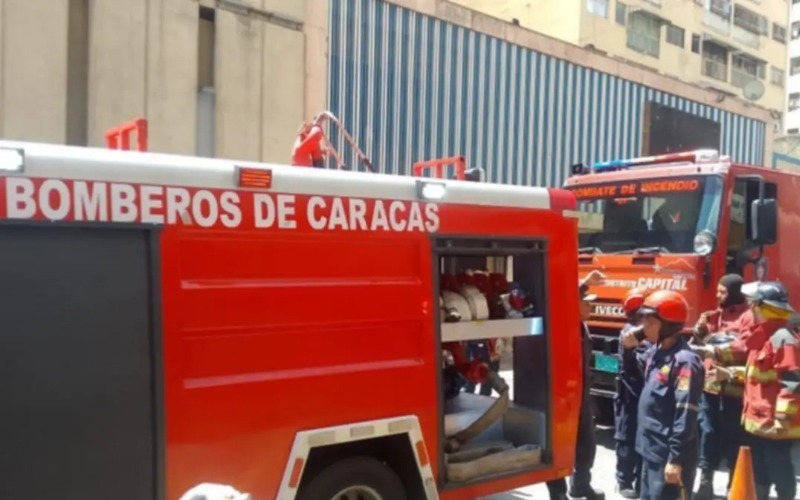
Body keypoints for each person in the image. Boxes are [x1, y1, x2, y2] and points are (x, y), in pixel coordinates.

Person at [694, 281, 800, 500]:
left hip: (775, 426)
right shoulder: (763, 338)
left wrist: (782, 420)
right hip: (758, 424)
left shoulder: (783, 339)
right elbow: (758, 377)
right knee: (759, 474)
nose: (751, 308)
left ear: (764, 307)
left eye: (754, 304)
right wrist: (730, 374)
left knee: (780, 474)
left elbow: (792, 382)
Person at [621, 290, 704, 500]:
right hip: (650, 449)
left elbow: (686, 412)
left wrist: (676, 459)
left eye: (649, 321)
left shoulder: (685, 361)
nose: (642, 327)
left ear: (667, 325)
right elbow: (633, 376)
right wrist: (629, 350)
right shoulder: (655, 353)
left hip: (668, 455)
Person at [692, 274, 754, 499]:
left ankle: (733, 484)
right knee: (707, 433)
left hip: (734, 389)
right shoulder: (714, 314)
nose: (718, 296)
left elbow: (743, 347)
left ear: (735, 292)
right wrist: (701, 333)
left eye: (722, 292)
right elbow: (704, 343)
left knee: (734, 437)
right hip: (711, 387)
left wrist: (713, 341)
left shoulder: (749, 316)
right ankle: (705, 483)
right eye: (717, 291)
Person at [547, 270, 606, 500]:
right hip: (562, 397)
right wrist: (583, 283)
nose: (591, 308)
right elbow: (563, 302)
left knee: (586, 444)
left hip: (581, 395)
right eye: (586, 303)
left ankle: (581, 485)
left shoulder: (584, 327)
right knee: (558, 447)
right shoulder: (564, 323)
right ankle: (558, 493)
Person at [615, 287, 652, 499]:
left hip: (643, 393)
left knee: (641, 436)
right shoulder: (632, 333)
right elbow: (640, 365)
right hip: (630, 394)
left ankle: (640, 479)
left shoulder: (644, 332)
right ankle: (624, 480)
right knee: (626, 436)